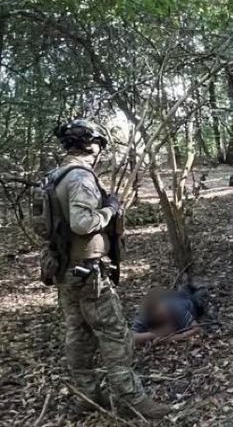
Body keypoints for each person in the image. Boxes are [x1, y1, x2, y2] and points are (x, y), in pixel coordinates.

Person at [50, 119, 171, 419]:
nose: (99, 152)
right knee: (115, 333)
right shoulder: (79, 177)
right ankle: (131, 399)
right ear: (91, 145)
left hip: (65, 268)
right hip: (87, 272)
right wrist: (110, 209)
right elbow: (81, 223)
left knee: (78, 333)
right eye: (99, 146)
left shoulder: (55, 175)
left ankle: (88, 396)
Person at [132, 285, 208, 345]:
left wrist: (170, 338)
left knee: (201, 295)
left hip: (192, 303)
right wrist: (155, 334)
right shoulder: (145, 315)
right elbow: (132, 337)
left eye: (165, 312)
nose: (166, 315)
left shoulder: (176, 308)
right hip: (176, 298)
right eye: (160, 315)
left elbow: (197, 329)